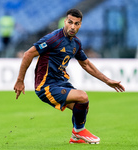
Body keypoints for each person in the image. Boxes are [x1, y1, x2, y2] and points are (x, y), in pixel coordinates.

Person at [14, 9, 125, 144]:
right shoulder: (53, 39)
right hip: (46, 86)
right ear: (65, 21)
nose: (72, 26)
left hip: (60, 82)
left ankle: (75, 137)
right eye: (70, 22)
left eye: (76, 24)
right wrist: (20, 80)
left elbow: (86, 64)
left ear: (80, 25)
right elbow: (28, 54)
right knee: (82, 96)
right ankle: (78, 131)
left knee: (83, 106)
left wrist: (107, 80)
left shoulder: (76, 43)